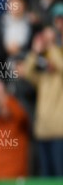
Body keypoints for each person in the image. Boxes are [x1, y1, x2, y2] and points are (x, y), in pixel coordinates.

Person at [23, 26, 63, 176]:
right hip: (43, 130)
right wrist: (35, 52)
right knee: (46, 177)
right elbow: (27, 72)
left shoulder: (59, 78)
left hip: (59, 131)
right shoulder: (43, 78)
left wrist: (51, 45)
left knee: (60, 176)